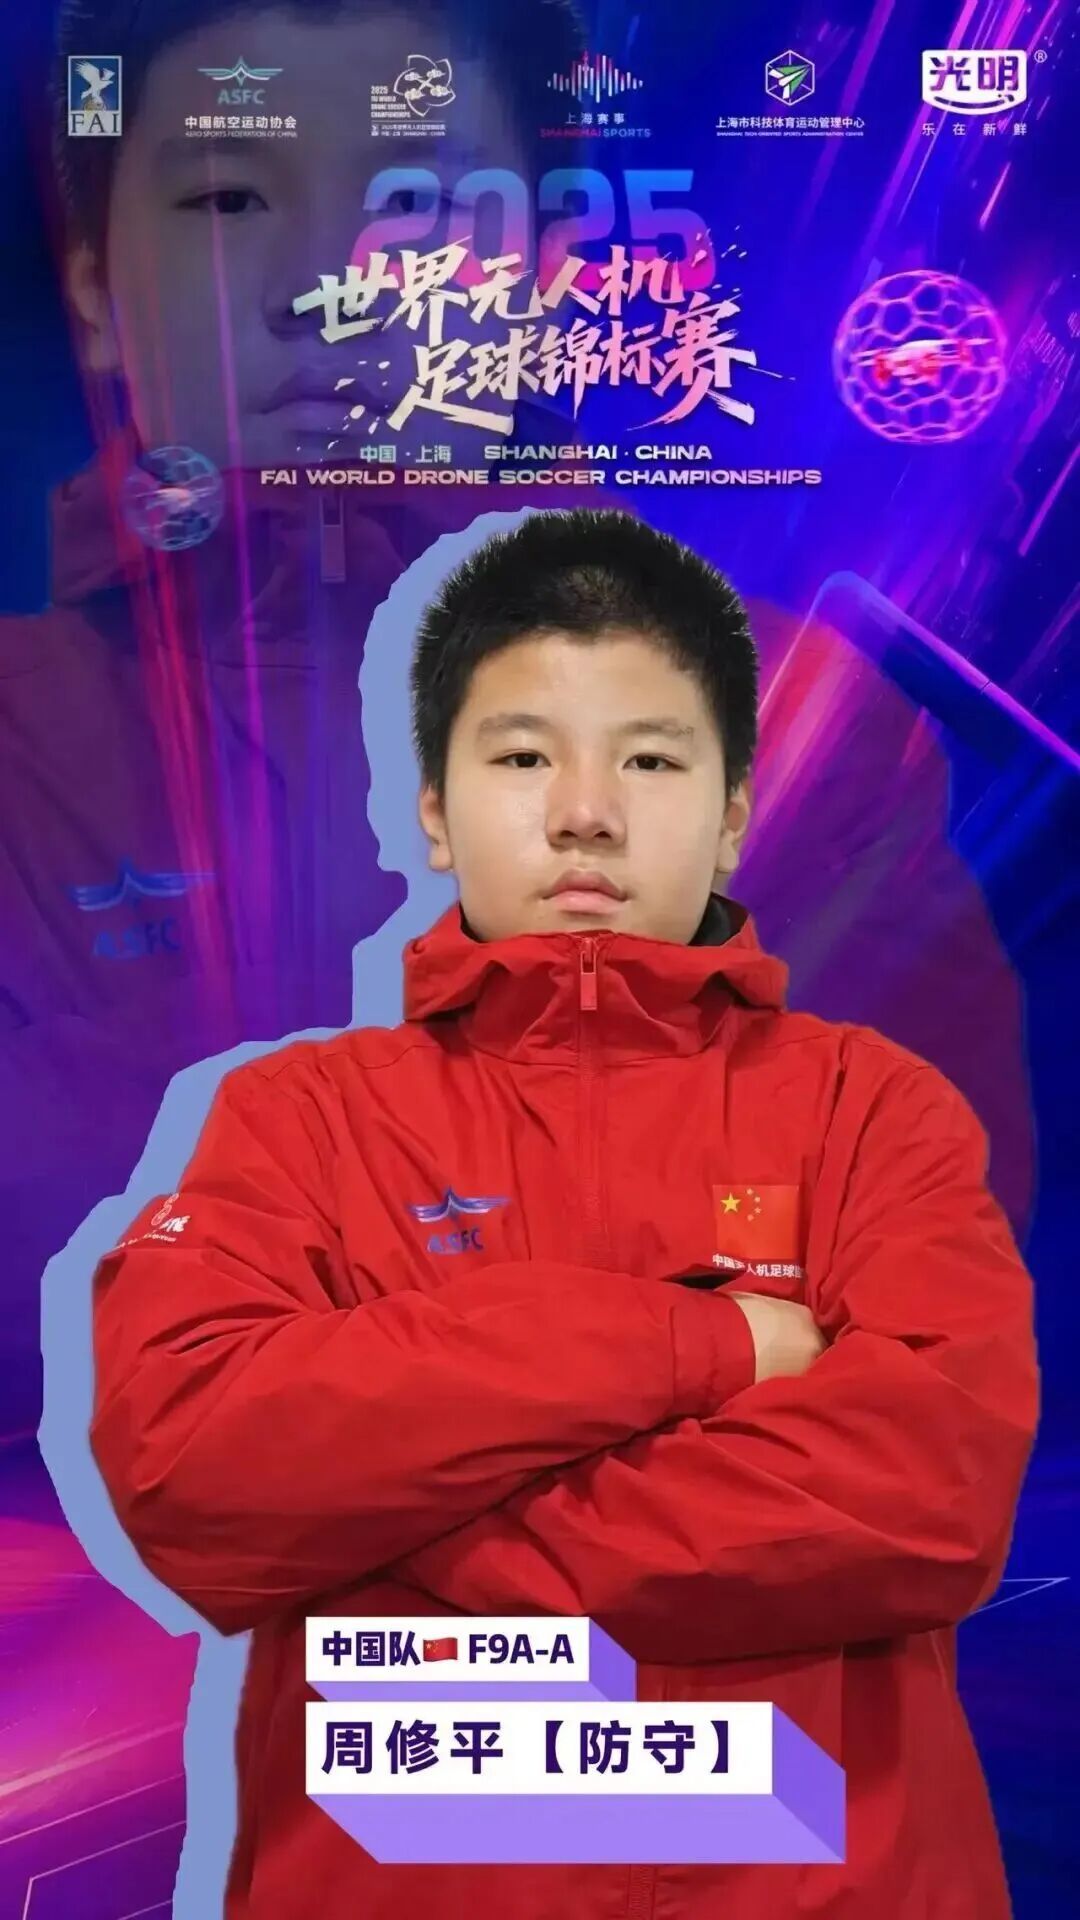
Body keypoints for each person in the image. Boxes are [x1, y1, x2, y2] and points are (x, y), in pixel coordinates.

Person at [88, 506, 1039, 1920]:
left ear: (733, 813)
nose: (585, 812)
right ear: (432, 804)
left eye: (650, 759)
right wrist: (706, 1346)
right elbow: (188, 1471)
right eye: (522, 756)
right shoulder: (295, 1121)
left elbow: (930, 1498)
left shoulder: (873, 1110)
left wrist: (386, 1515)